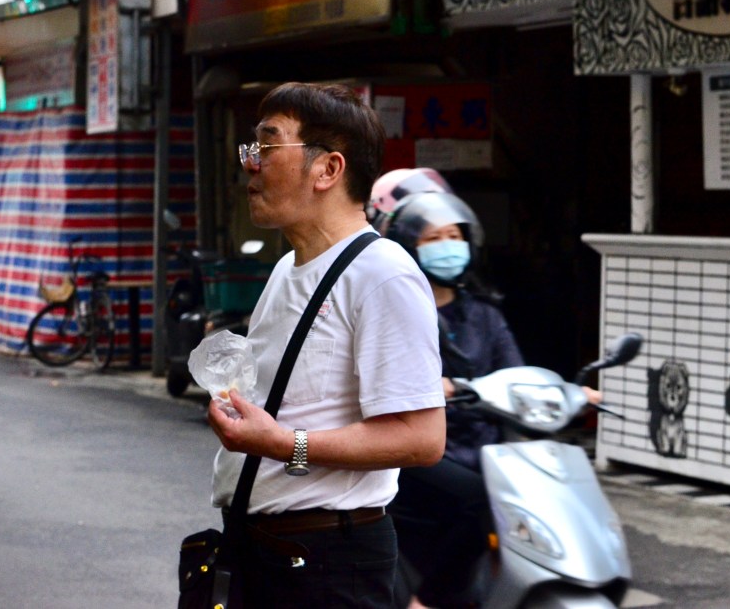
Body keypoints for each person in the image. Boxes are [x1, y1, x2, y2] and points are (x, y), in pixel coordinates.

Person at [205, 82, 447, 608]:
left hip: (325, 564)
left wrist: (283, 443)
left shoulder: (383, 274)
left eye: (267, 147)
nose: (251, 164)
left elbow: (423, 437)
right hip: (263, 551)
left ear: (328, 170)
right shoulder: (285, 269)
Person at [378, 188, 603, 609]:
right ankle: (426, 600)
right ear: (410, 247)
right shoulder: (399, 312)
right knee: (485, 498)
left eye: (453, 235)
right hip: (427, 447)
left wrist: (570, 392)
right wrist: (434, 388)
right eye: (433, 238)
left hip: (487, 444)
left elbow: (516, 371)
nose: (448, 246)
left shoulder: (484, 314)